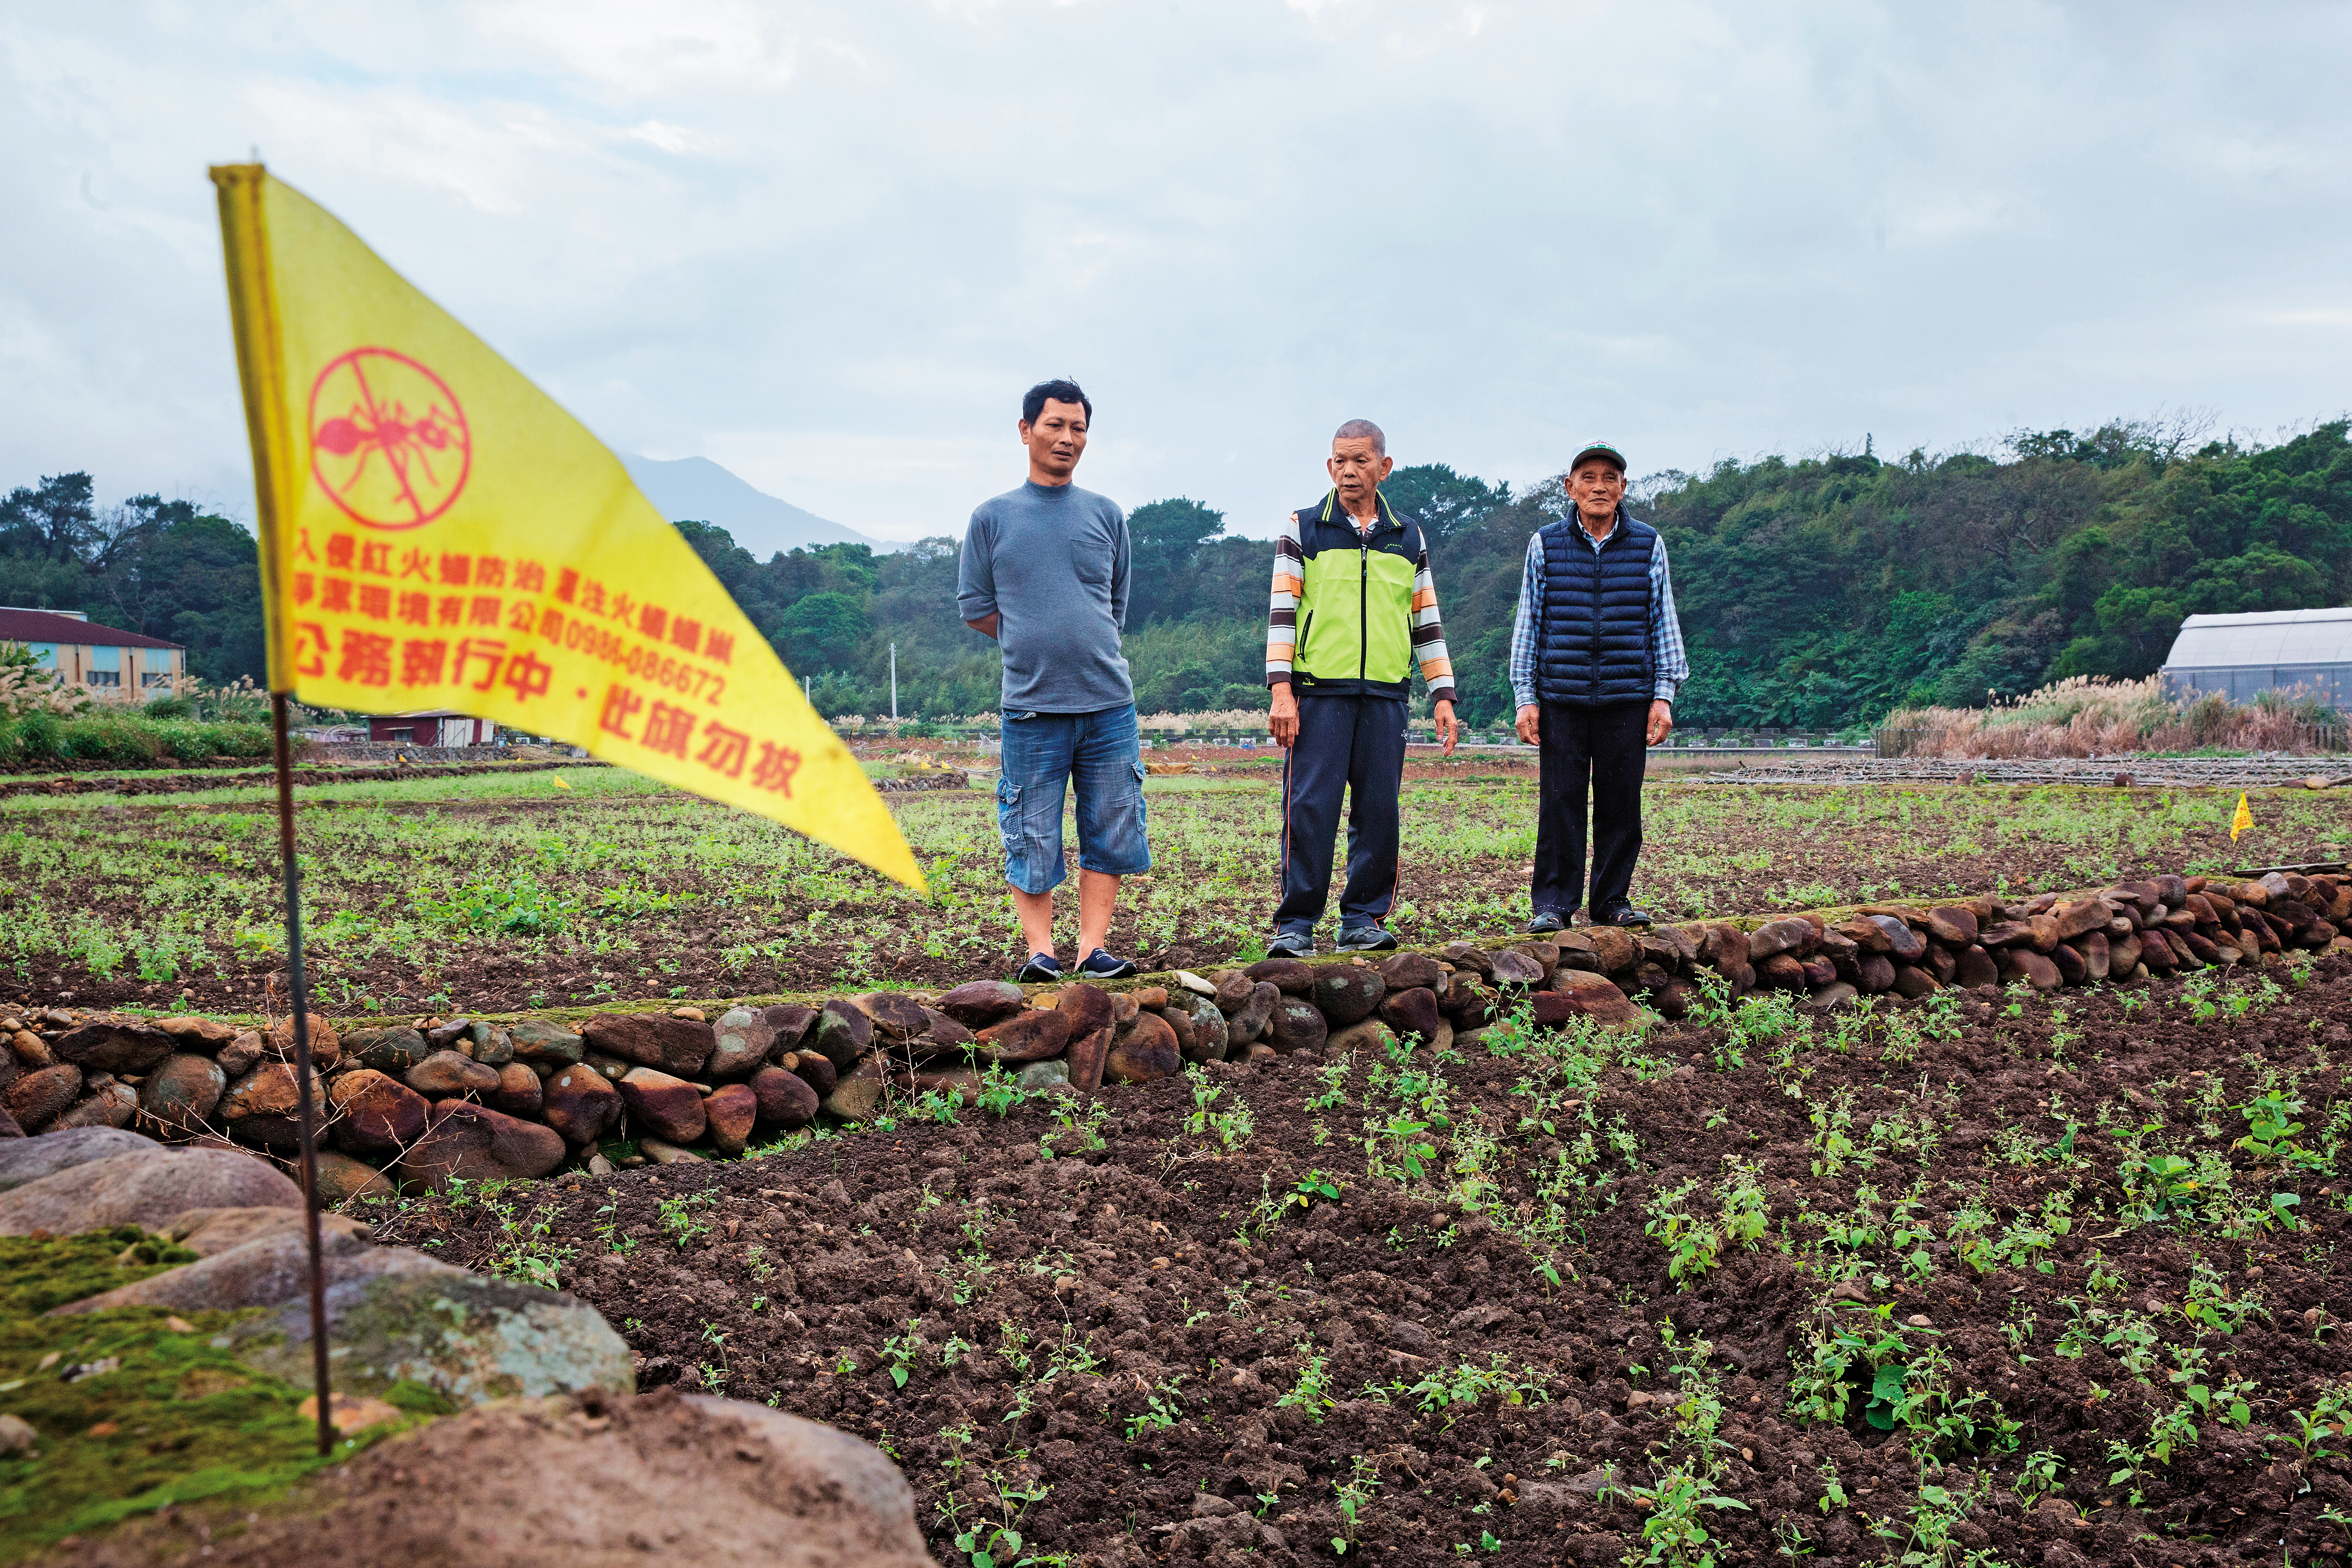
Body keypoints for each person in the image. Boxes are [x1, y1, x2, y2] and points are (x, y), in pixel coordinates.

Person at [958, 378, 1148, 982]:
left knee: (1111, 824)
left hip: (1108, 703)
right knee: (1031, 829)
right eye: (1055, 426)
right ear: (1026, 431)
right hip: (1032, 705)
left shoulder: (1106, 515)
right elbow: (976, 606)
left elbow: (1114, 605)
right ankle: (1040, 950)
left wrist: (1082, 641)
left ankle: (1093, 949)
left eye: (1079, 428)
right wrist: (1027, 639)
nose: (1068, 438)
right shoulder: (992, 518)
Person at [1263, 419, 1460, 957]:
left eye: (1361, 461)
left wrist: (1442, 694)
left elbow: (1427, 621)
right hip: (1318, 693)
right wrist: (1282, 692)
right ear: (1330, 467)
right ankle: (1297, 925)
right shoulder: (1304, 528)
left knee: (1379, 811)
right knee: (1310, 809)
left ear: (1384, 467)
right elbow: (1282, 615)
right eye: (1340, 462)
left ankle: (1363, 919)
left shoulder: (1408, 536)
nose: (1350, 472)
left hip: (1386, 695)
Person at [1508, 441, 1687, 932]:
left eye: (1610, 478)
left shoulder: (1649, 544)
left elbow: (1663, 622)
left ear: (1624, 488)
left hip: (1627, 695)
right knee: (1561, 801)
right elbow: (1529, 623)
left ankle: (1611, 900)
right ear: (1570, 487)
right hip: (1561, 697)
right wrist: (1527, 698)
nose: (1600, 486)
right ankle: (1553, 905)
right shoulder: (1545, 543)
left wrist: (1664, 695)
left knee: (1621, 804)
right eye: (1588, 477)